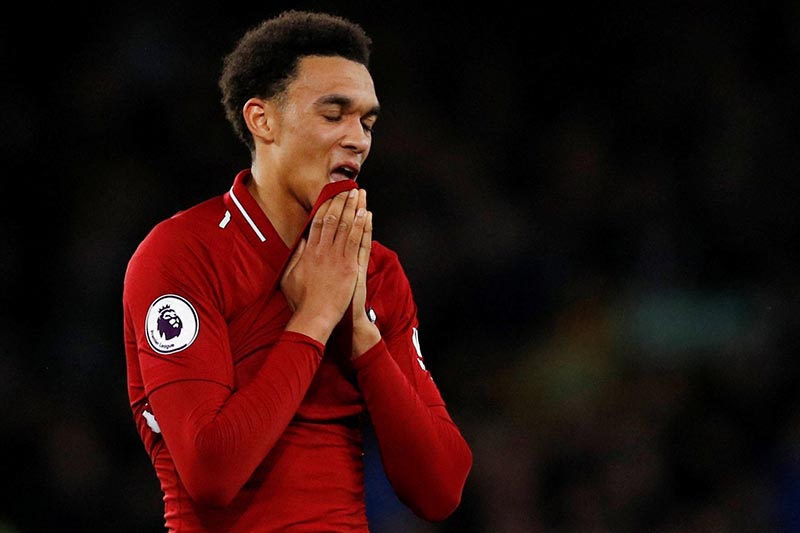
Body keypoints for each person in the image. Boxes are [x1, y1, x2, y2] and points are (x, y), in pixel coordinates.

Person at [122, 9, 473, 532]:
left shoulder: (375, 270)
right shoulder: (181, 254)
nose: (358, 139)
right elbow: (212, 473)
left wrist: (360, 333)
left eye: (367, 122)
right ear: (262, 120)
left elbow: (440, 490)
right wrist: (315, 315)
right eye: (334, 115)